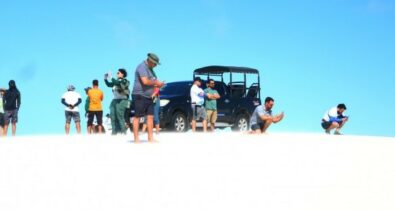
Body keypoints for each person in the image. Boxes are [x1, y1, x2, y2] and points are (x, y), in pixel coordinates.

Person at [131, 53, 164, 142]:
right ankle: (136, 139)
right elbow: (145, 81)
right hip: (139, 95)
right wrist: (156, 82)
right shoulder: (142, 67)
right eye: (155, 63)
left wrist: (159, 85)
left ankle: (150, 138)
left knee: (150, 117)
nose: (156, 65)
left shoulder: (151, 69)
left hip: (149, 96)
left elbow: (152, 82)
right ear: (150, 61)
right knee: (137, 116)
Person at [104, 68, 130, 135]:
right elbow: (109, 85)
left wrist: (111, 77)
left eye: (118, 73)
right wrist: (105, 79)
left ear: (122, 74)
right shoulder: (116, 81)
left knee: (120, 116)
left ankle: (123, 132)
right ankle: (114, 133)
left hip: (122, 100)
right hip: (115, 99)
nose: (117, 74)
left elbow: (118, 83)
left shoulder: (125, 80)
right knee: (112, 116)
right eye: (117, 73)